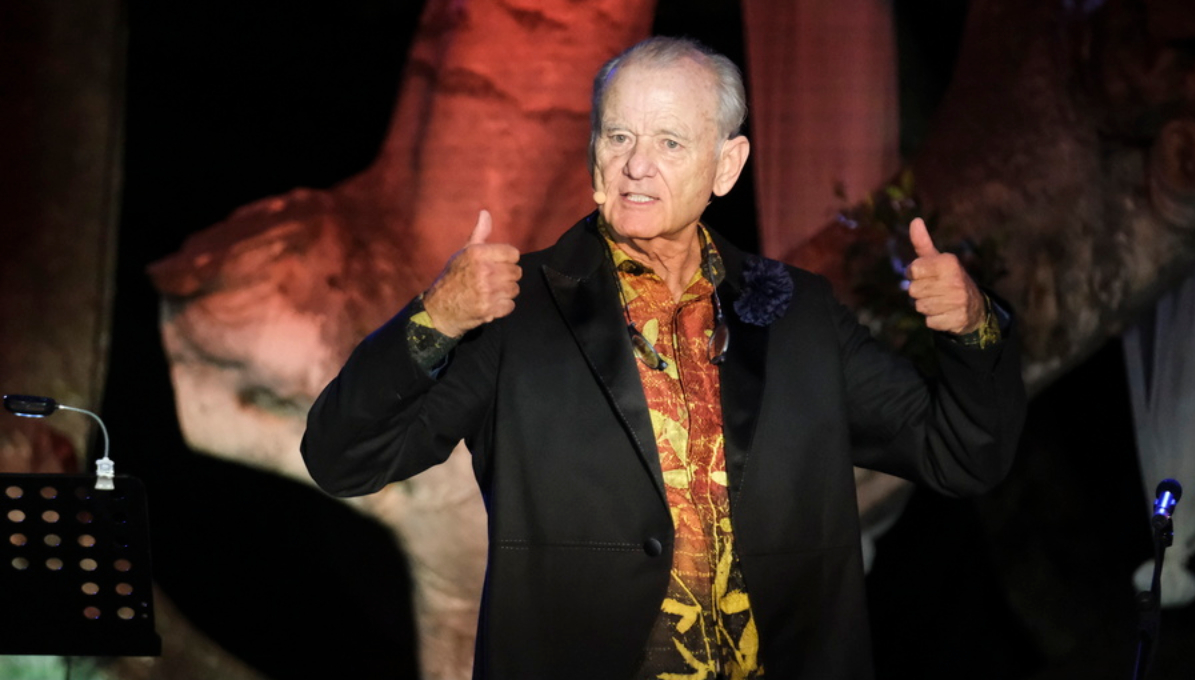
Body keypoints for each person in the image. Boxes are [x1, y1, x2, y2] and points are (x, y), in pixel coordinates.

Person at [302, 36, 1026, 680]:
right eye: (618, 136)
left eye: (670, 143)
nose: (636, 166)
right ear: (593, 151)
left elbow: (963, 456)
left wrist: (973, 329)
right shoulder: (521, 315)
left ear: (726, 165)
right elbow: (343, 459)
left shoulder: (798, 315)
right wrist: (435, 318)